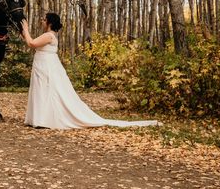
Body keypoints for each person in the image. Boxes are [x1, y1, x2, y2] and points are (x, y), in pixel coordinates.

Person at [21, 12, 159, 129]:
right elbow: (31, 41)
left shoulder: (49, 35)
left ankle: (44, 119)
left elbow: (32, 43)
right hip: (43, 65)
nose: (42, 21)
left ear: (49, 23)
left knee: (46, 90)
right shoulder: (48, 35)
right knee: (41, 90)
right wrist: (23, 32)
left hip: (47, 67)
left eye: (44, 19)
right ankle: (39, 118)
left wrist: (26, 29)